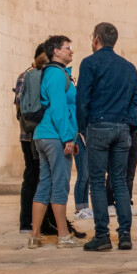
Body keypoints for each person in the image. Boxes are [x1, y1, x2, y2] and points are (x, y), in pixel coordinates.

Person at [76, 22, 137, 252]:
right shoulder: (129, 66)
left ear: (96, 38)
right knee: (120, 182)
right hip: (122, 128)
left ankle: (102, 236)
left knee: (96, 181)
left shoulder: (89, 63)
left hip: (99, 125)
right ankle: (125, 235)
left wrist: (82, 129)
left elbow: (82, 100)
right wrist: (131, 124)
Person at [27, 35, 84, 249]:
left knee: (44, 184)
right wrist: (67, 137)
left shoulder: (49, 73)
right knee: (59, 185)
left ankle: (35, 236)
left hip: (43, 135)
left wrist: (70, 136)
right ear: (56, 51)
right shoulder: (57, 75)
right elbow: (59, 108)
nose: (71, 51)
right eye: (67, 48)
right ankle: (63, 235)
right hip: (54, 136)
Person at [15, 43, 49, 233]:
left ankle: (27, 223)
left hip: (27, 134)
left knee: (31, 176)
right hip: (42, 134)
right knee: (42, 177)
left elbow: (19, 105)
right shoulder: (45, 75)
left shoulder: (24, 75)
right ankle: (40, 223)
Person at [104, 106, 137, 217]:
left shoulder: (132, 90)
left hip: (132, 133)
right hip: (115, 132)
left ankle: (127, 203)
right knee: (113, 171)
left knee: (130, 171)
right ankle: (109, 204)